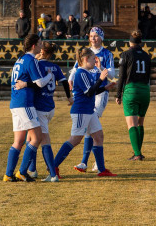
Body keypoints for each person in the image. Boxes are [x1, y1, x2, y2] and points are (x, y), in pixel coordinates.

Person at [53, 47, 117, 178]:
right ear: (86, 59)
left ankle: (102, 170)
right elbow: (88, 93)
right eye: (94, 58)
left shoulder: (86, 72)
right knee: (75, 139)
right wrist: (100, 79)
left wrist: (105, 87)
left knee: (98, 137)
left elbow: (91, 91)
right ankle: (53, 166)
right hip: (81, 111)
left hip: (89, 110)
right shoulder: (81, 73)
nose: (95, 61)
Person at [14, 42, 73, 182]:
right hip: (50, 106)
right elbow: (64, 82)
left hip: (39, 107)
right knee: (31, 137)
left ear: (43, 52)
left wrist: (24, 84)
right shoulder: (55, 67)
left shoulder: (37, 64)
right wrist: (69, 97)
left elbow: (37, 83)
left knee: (42, 139)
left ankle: (52, 174)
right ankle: (32, 170)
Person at [4, 34, 54, 182]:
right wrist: (49, 76)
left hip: (15, 102)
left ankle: (8, 174)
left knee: (18, 141)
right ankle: (22, 171)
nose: (41, 46)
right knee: (37, 137)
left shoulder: (19, 59)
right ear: (33, 46)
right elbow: (40, 83)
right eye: (39, 43)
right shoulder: (31, 60)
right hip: (25, 103)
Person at [69, 26, 115, 173]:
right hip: (87, 92)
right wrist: (70, 78)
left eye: (96, 36)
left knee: (91, 124)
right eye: (91, 36)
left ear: (101, 37)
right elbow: (76, 68)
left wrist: (101, 69)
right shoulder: (86, 53)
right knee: (91, 127)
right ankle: (90, 162)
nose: (93, 38)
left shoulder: (107, 54)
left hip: (99, 92)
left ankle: (87, 161)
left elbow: (112, 74)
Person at [115, 30, 151, 161]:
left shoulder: (126, 54)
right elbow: (148, 76)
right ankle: (139, 151)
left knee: (132, 124)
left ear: (129, 42)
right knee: (140, 123)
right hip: (145, 91)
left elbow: (121, 76)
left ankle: (137, 154)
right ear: (141, 42)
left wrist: (118, 94)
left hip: (131, 90)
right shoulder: (147, 56)